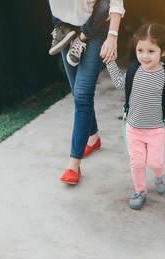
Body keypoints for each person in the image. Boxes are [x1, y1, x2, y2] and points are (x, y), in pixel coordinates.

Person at [47, 0, 125, 185]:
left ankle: (74, 163)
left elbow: (112, 2)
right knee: (77, 91)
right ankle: (93, 137)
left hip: (98, 26)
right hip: (65, 26)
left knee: (82, 94)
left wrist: (112, 36)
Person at [106, 22, 165, 210]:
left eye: (151, 51)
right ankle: (140, 191)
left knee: (155, 162)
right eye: (140, 50)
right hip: (134, 128)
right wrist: (109, 62)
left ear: (163, 51)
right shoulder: (133, 70)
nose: (144, 56)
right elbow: (120, 83)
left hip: (156, 130)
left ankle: (160, 175)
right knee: (137, 162)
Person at [49, 0, 125, 67]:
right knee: (74, 81)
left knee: (83, 83)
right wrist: (58, 22)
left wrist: (112, 35)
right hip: (65, 22)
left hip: (94, 20)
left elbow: (115, 2)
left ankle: (81, 38)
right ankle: (62, 27)